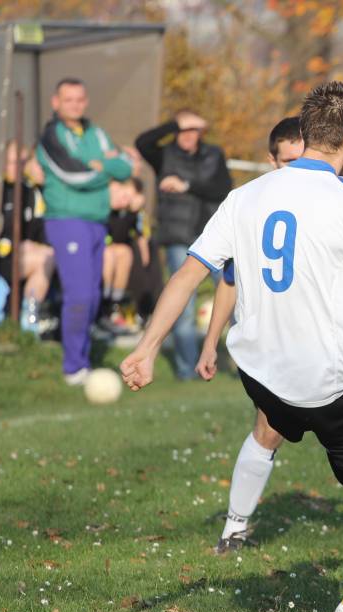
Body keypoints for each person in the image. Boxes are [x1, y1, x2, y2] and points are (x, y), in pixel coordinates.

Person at [121, 81, 343, 612]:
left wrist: (144, 347)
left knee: (340, 453)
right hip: (326, 376)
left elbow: (189, 274)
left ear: (303, 134)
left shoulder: (245, 196)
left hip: (260, 376)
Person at [196, 115, 343, 555]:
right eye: (286, 159)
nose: (296, 165)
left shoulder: (342, 194)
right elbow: (229, 279)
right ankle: (235, 527)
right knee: (268, 431)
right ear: (273, 161)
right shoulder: (257, 206)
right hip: (282, 340)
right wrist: (211, 340)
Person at [36, 77, 135, 384]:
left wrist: (101, 165)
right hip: (67, 221)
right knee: (78, 295)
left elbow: (126, 165)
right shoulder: (51, 136)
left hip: (96, 222)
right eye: (68, 100)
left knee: (92, 296)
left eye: (80, 99)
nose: (75, 105)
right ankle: (73, 367)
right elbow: (70, 173)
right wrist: (103, 169)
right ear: (56, 102)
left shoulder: (96, 133)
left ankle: (84, 360)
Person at [135, 109, 231, 379]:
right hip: (178, 237)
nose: (188, 136)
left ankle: (244, 366)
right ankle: (187, 371)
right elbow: (143, 142)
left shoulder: (213, 155)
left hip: (213, 239)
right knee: (182, 306)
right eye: (183, 130)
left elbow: (222, 187)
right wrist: (174, 122)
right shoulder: (164, 155)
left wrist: (186, 185)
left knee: (235, 298)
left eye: (193, 130)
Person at [0, 141, 54, 332]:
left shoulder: (30, 192)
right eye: (13, 162)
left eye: (22, 162)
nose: (18, 167)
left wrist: (33, 245)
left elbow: (40, 231)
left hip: (20, 258)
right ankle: (25, 319)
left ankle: (29, 321)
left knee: (47, 257)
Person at [99, 177, 146, 334]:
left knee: (124, 253)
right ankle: (103, 305)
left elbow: (135, 232)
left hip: (117, 249)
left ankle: (114, 305)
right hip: (101, 248)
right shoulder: (104, 207)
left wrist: (135, 210)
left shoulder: (128, 212)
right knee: (110, 255)